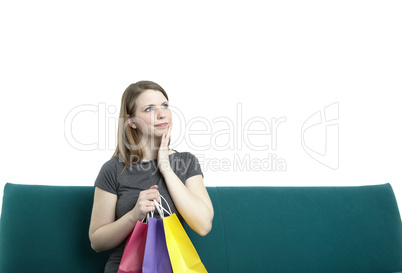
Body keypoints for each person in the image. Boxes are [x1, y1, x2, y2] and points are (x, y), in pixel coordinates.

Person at [88, 81, 214, 273]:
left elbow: (203, 225)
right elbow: (97, 242)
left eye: (164, 105)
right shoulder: (113, 169)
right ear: (131, 121)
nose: (162, 113)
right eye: (149, 109)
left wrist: (166, 168)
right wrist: (133, 215)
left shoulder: (186, 162)